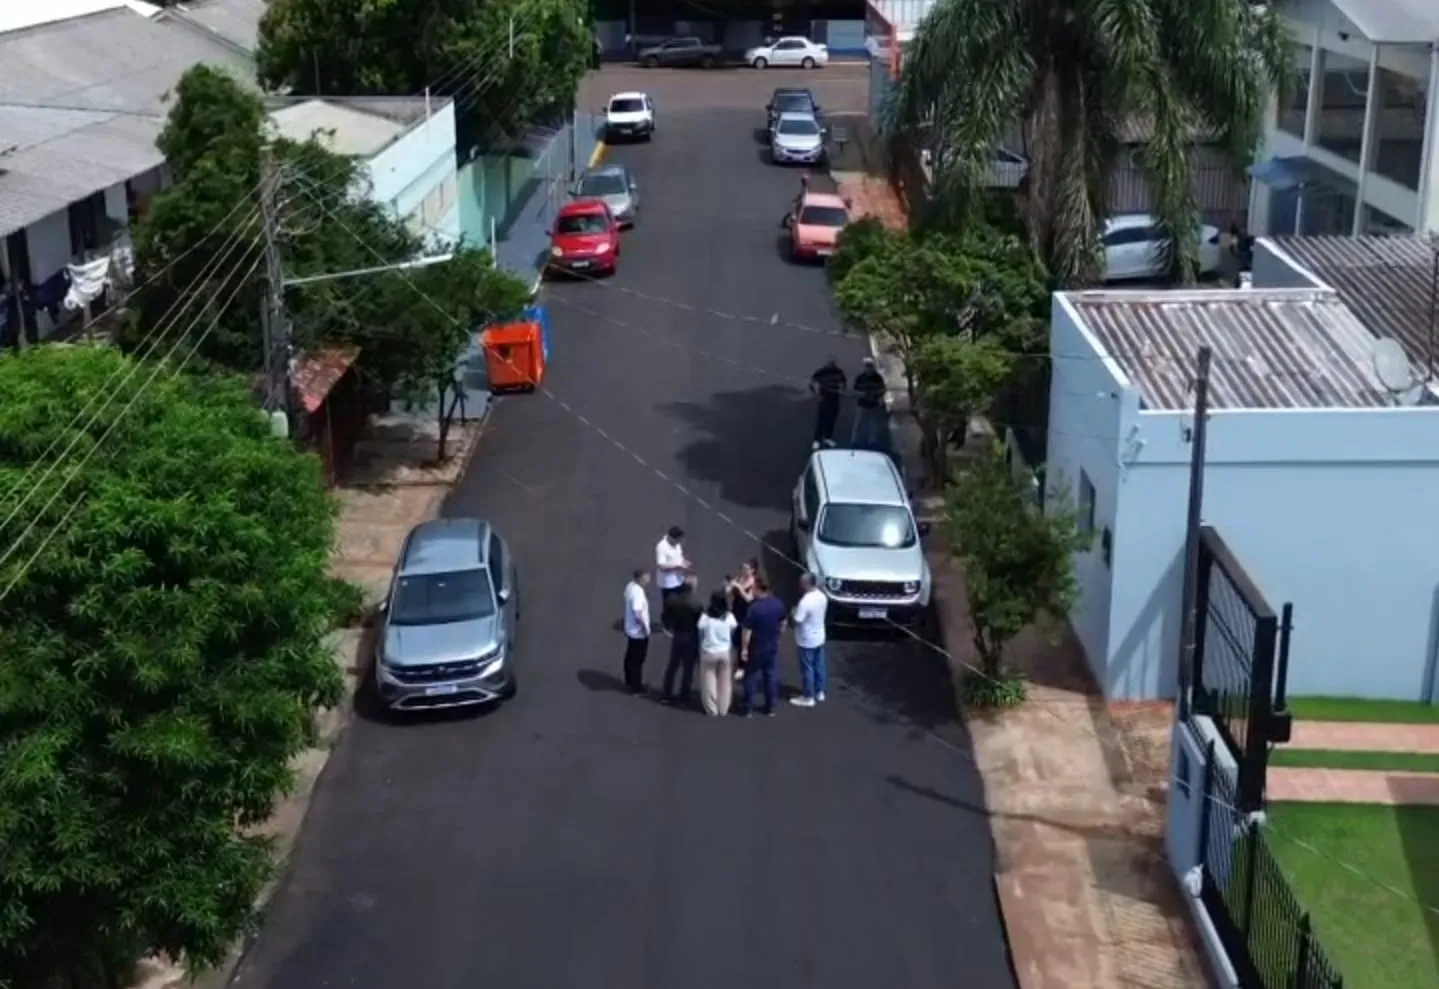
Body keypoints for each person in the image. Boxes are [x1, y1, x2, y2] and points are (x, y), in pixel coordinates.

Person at [740, 576, 787, 716]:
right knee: (770, 676)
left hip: (756, 647)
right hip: (771, 645)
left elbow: (746, 630)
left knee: (750, 676)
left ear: (758, 589)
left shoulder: (754, 608)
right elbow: (783, 622)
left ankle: (747, 708)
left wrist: (743, 648)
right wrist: (778, 635)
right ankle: (770, 707)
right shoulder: (778, 604)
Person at [789, 572, 829, 707]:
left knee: (807, 668)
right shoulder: (822, 596)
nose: (799, 586)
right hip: (820, 636)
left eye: (801, 583)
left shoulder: (805, 602)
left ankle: (808, 697)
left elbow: (797, 621)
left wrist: (792, 613)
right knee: (819, 665)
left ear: (806, 584)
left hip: (807, 639)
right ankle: (820, 691)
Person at [661, 575, 702, 705]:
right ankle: (685, 694)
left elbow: (665, 616)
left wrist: (669, 627)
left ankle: (666, 694)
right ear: (693, 588)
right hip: (691, 637)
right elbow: (700, 623)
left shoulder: (671, 600)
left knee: (673, 665)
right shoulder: (696, 605)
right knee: (688, 667)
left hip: (677, 635)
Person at [696, 588, 738, 716]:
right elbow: (733, 628)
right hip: (725, 651)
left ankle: (711, 708)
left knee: (709, 680)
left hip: (708, 651)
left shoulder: (705, 617)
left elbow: (700, 630)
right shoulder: (729, 617)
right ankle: (723, 708)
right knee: (725, 681)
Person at [621, 568, 652, 693]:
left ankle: (629, 681)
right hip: (638, 632)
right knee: (638, 659)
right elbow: (637, 613)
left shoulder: (630, 586)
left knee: (630, 657)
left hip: (630, 629)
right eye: (648, 576)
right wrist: (645, 628)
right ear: (641, 578)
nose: (649, 579)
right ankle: (636, 687)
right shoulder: (638, 593)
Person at [654, 525, 692, 626]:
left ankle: (676, 622)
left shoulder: (677, 544)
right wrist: (678, 567)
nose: (679, 542)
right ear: (671, 537)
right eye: (678, 540)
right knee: (669, 605)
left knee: (680, 602)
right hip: (668, 583)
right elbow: (661, 566)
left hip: (679, 579)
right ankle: (667, 624)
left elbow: (679, 556)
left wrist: (684, 562)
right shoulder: (661, 547)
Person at [727, 558, 759, 677]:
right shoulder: (738, 578)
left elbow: (749, 599)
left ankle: (742, 666)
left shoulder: (753, 582)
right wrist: (730, 587)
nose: (743, 570)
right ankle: (734, 662)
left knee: (743, 640)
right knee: (734, 638)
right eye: (742, 568)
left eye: (746, 568)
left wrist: (739, 588)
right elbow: (728, 592)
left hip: (746, 613)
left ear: (752, 570)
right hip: (735, 611)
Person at [809, 357, 847, 449]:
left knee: (832, 419)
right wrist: (817, 394)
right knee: (821, 420)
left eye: (833, 364)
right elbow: (812, 382)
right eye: (830, 364)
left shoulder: (838, 372)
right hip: (824, 398)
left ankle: (827, 437)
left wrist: (842, 390)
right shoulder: (822, 372)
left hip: (835, 398)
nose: (831, 366)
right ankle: (817, 439)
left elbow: (843, 381)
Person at [852, 357, 888, 449]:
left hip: (874, 404)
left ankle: (872, 442)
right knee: (858, 424)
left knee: (873, 424)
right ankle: (854, 441)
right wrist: (862, 394)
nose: (869, 368)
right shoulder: (860, 378)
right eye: (867, 366)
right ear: (864, 367)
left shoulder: (878, 378)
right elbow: (855, 391)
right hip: (862, 404)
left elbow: (883, 389)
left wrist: (877, 394)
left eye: (870, 366)